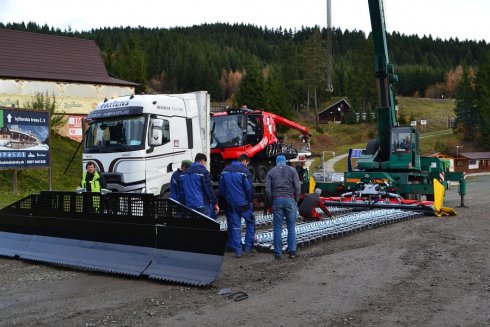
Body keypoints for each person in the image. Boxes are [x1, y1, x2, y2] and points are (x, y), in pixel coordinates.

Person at [219, 154, 255, 258]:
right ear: (245, 161)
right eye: (247, 164)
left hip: (231, 203)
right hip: (243, 204)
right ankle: (248, 247)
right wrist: (249, 201)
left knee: (235, 227)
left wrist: (227, 198)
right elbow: (248, 188)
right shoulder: (244, 171)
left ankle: (238, 251)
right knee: (250, 222)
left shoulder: (225, 170)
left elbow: (222, 188)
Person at [265, 155, 301, 259]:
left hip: (277, 200)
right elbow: (298, 187)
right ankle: (292, 252)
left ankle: (278, 253)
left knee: (277, 228)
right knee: (291, 227)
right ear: (285, 162)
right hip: (290, 200)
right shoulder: (292, 171)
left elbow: (267, 190)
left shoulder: (271, 172)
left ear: (276, 162)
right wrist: (296, 200)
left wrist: (272, 201)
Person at [179, 153, 219, 218]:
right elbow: (209, 189)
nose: (205, 165)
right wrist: (215, 203)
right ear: (202, 161)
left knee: (194, 226)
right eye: (205, 163)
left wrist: (184, 203)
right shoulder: (204, 172)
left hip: (188, 205)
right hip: (202, 204)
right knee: (204, 226)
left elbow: (181, 192)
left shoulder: (183, 174)